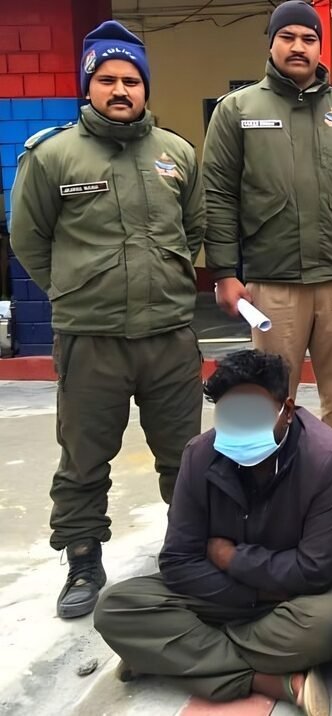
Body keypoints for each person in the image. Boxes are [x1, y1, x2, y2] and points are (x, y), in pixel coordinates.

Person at [9, 20, 203, 619]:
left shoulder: (176, 153)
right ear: (88, 84)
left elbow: (193, 228)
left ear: (145, 87)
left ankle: (189, 549)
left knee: (186, 456)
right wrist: (74, 290)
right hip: (90, 339)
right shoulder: (52, 155)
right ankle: (83, 559)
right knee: (84, 458)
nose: (121, 90)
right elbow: (28, 238)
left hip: (169, 335)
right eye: (107, 79)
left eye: (131, 80)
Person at [93, 350, 332, 716]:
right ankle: (269, 679)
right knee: (115, 608)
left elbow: (314, 571)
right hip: (235, 592)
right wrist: (254, 593)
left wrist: (231, 557)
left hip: (308, 597)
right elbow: (177, 560)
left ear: (286, 410)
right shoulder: (199, 454)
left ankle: (170, 654)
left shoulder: (327, 460)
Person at [203, 0, 332, 454]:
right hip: (273, 281)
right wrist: (224, 272)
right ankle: (266, 478)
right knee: (268, 394)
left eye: (309, 39)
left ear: (320, 48)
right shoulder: (238, 110)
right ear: (270, 44)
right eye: (287, 37)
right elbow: (218, 194)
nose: (298, 46)